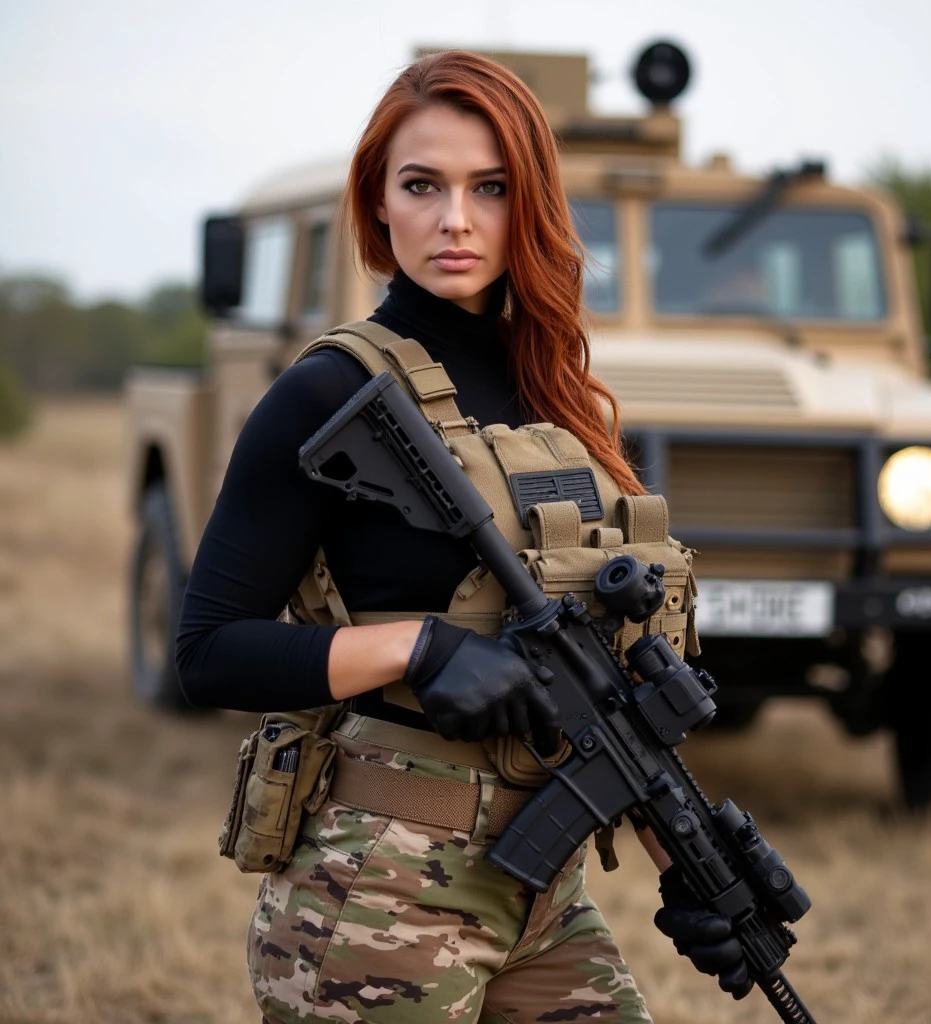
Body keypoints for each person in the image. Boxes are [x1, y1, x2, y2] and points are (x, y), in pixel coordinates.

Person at [176, 49, 750, 1024]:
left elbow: (598, 688)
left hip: (542, 901)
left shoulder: (559, 398)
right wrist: (418, 646)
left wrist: (688, 863)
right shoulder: (327, 393)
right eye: (421, 185)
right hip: (375, 896)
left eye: (490, 187)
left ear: (530, 203)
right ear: (378, 203)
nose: (455, 218)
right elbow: (208, 650)